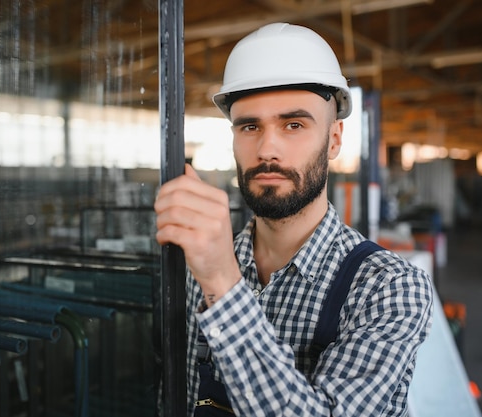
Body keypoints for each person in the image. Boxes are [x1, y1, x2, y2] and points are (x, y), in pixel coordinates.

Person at [154, 22, 433, 416]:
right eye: (250, 126)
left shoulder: (388, 287)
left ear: (334, 139)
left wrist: (221, 282)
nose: (268, 148)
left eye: (294, 124)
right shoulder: (193, 268)